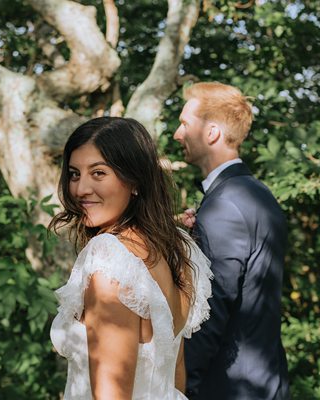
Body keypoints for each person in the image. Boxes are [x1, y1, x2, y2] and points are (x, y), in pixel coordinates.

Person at [49, 117, 213, 399]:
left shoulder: (110, 258)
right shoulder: (177, 246)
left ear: (135, 181)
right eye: (75, 174)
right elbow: (176, 372)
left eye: (98, 173)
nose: (80, 189)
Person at [173, 82, 290, 399]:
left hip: (228, 387)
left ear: (211, 133)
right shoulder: (255, 193)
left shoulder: (226, 206)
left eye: (184, 123)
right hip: (264, 381)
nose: (177, 134)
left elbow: (209, 314)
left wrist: (180, 387)